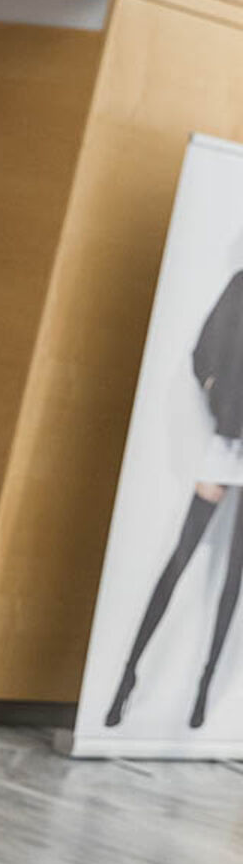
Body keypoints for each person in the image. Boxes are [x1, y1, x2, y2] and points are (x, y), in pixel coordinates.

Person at [106, 267, 243, 729]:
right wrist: (221, 403)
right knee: (180, 559)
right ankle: (128, 676)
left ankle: (204, 688)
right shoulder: (241, 284)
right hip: (226, 441)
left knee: (235, 578)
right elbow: (204, 353)